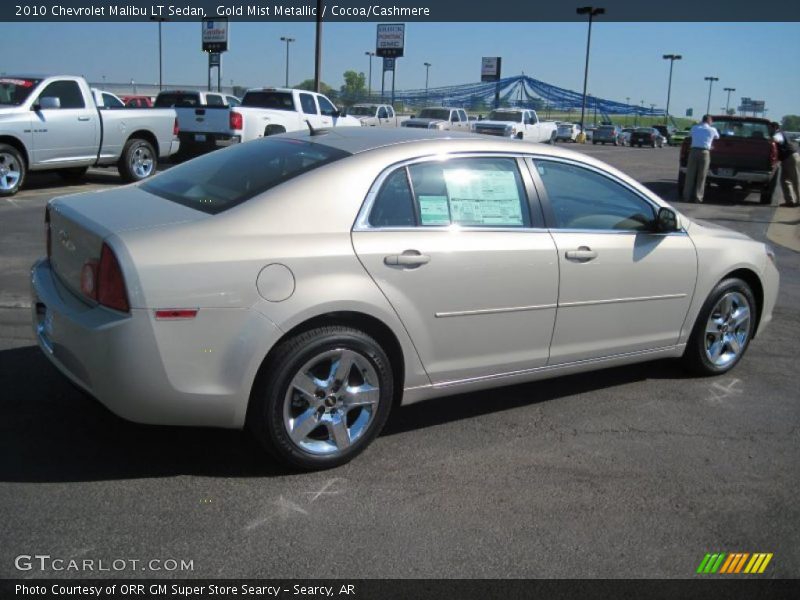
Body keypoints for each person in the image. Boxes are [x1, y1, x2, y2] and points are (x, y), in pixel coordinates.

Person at [684, 115, 720, 203]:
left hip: (693, 151)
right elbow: (717, 137)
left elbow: (689, 135)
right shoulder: (712, 129)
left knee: (690, 175)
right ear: (709, 121)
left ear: (702, 120)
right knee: (702, 176)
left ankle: (686, 197)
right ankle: (698, 197)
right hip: (705, 152)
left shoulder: (694, 128)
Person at [770, 122, 800, 207]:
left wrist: (768, 139)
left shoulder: (778, 134)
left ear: (775, 127)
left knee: (795, 180)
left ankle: (799, 200)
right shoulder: (782, 133)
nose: (769, 130)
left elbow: (776, 139)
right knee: (784, 180)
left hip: (790, 157)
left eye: (770, 128)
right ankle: (789, 201)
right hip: (787, 158)